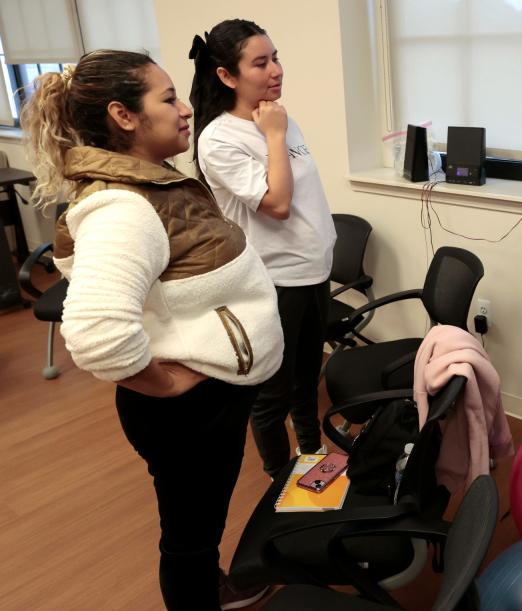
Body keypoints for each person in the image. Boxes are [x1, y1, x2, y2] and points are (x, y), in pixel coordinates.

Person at [20, 51, 283, 609]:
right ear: (123, 116)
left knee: (198, 523)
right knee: (189, 537)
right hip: (188, 411)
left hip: (206, 403)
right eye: (168, 99)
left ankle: (213, 585)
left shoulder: (154, 187)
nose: (186, 108)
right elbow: (95, 333)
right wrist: (166, 384)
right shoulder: (124, 208)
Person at [189, 19, 337, 479]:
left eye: (275, 57)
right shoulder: (220, 139)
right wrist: (273, 135)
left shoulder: (275, 116)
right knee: (273, 394)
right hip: (276, 280)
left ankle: (311, 460)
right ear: (227, 76)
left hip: (313, 269)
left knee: (308, 379)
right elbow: (277, 203)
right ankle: (280, 480)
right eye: (260, 62)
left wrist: (276, 129)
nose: (275, 70)